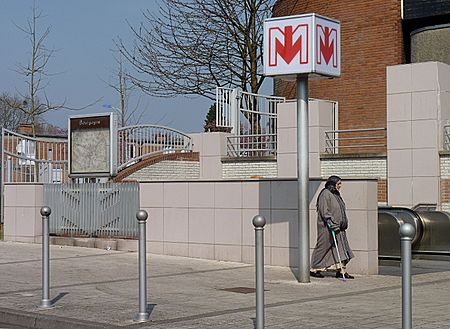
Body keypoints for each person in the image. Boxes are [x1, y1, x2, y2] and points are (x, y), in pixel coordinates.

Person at [310, 175, 355, 279]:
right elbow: (324, 210)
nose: (340, 186)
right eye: (338, 184)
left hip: (339, 227)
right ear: (333, 184)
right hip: (327, 227)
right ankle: (315, 268)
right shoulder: (325, 194)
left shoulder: (336, 194)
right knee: (323, 247)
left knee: (341, 248)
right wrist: (330, 222)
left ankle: (341, 270)